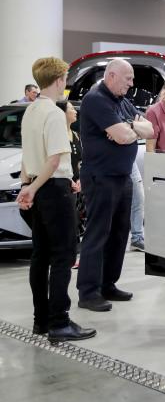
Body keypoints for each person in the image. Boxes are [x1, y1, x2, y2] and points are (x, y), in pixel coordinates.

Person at [17, 57, 95, 341]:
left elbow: (28, 158)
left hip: (37, 187)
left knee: (40, 255)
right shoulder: (53, 113)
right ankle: (60, 322)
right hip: (54, 189)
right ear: (60, 80)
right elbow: (54, 160)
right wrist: (34, 189)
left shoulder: (31, 111)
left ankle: (41, 320)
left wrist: (27, 187)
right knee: (63, 255)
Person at [77, 59, 154, 312]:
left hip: (122, 176)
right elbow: (122, 137)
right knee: (98, 233)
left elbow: (150, 129)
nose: (131, 85)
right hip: (101, 177)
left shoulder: (121, 100)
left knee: (120, 234)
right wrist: (130, 130)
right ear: (111, 76)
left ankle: (107, 283)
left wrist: (129, 126)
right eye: (128, 79)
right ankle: (88, 292)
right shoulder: (96, 99)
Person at [55, 100, 83, 268]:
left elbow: (80, 160)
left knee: (77, 221)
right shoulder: (58, 135)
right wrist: (70, 180)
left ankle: (73, 255)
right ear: (62, 113)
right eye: (72, 109)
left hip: (77, 183)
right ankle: (65, 256)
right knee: (67, 221)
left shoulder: (76, 134)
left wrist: (80, 178)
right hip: (63, 182)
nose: (75, 112)